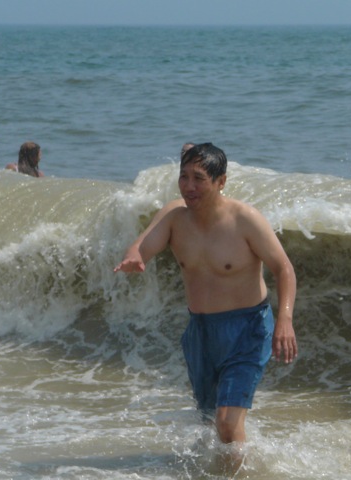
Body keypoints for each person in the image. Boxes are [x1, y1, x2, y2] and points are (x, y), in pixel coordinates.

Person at [114, 142, 298, 471]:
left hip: (248, 329)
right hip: (201, 333)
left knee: (226, 423)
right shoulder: (175, 218)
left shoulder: (245, 220)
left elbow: (283, 268)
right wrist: (134, 257)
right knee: (211, 421)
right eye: (183, 177)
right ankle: (232, 470)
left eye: (199, 178)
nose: (189, 186)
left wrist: (284, 319)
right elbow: (142, 246)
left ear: (220, 181)